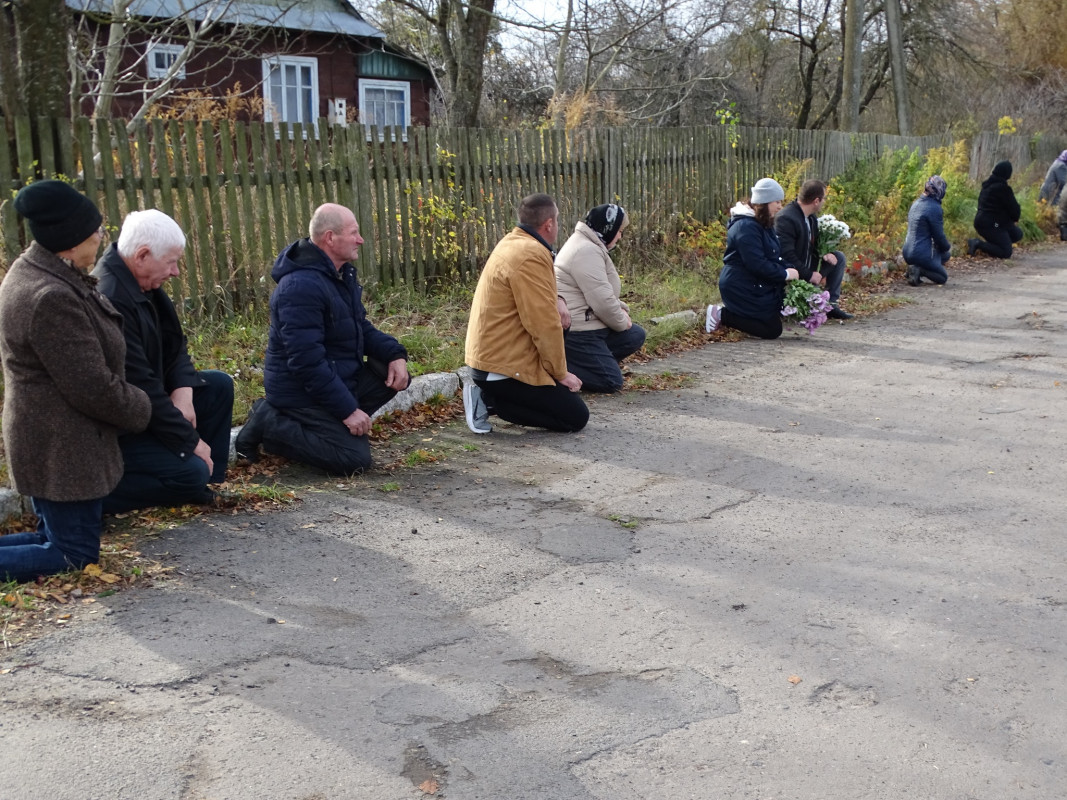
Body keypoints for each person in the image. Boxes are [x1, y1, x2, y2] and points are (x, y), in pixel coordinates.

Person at [0, 181, 151, 583]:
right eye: (96, 231)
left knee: (55, 538)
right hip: (61, 444)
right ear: (69, 240)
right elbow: (91, 386)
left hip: (56, 438)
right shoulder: (51, 296)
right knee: (72, 553)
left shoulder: (43, 271)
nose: (103, 237)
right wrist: (142, 406)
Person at [234, 203, 410, 474]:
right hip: (299, 393)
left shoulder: (337, 275)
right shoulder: (299, 288)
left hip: (334, 377)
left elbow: (359, 327)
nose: (360, 240)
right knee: (353, 460)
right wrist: (348, 411)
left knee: (390, 373)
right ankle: (268, 422)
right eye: (354, 233)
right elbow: (307, 363)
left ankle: (326, 427)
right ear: (330, 238)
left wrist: (396, 354)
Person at [92, 210, 234, 512]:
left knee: (218, 386)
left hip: (152, 403)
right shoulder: (111, 296)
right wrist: (189, 443)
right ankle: (98, 496)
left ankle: (209, 482)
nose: (176, 272)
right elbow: (140, 385)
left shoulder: (142, 282)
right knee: (189, 473)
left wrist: (183, 389)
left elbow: (175, 343)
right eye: (172, 262)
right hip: (124, 426)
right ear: (143, 254)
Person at [463, 193, 589, 433]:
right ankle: (489, 401)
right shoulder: (530, 255)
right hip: (499, 368)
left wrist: (559, 299)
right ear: (548, 224)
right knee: (575, 417)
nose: (558, 225)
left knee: (562, 322)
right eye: (558, 220)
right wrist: (560, 374)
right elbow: (543, 324)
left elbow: (537, 301)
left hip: (495, 358)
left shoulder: (515, 242)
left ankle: (494, 394)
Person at [553, 203, 646, 393]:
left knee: (635, 335)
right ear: (608, 228)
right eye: (619, 231)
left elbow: (600, 293)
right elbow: (602, 302)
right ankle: (556, 370)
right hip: (578, 331)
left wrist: (621, 310)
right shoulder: (586, 251)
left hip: (590, 323)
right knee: (611, 381)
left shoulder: (589, 245)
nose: (620, 236)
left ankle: (593, 364)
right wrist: (621, 320)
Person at [705, 178, 799, 340]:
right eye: (777, 201)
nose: (780, 206)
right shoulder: (745, 227)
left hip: (755, 283)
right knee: (772, 330)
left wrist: (790, 268)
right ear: (764, 202)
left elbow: (774, 255)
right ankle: (721, 314)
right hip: (740, 286)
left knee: (774, 322)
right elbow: (756, 264)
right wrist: (785, 274)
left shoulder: (762, 223)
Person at [774, 179, 853, 320]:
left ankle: (831, 305)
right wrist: (809, 274)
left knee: (838, 258)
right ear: (816, 201)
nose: (824, 202)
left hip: (809, 267)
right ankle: (806, 302)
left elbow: (813, 245)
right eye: (824, 199)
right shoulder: (787, 218)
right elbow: (786, 255)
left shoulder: (810, 218)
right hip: (794, 273)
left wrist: (825, 254)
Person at [902, 176, 952, 286]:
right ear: (939, 191)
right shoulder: (934, 208)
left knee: (945, 255)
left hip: (907, 252)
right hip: (921, 253)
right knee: (942, 277)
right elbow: (939, 236)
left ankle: (914, 269)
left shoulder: (916, 203)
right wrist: (946, 247)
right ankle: (919, 270)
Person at [967, 160, 1023, 259]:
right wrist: (1014, 219)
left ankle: (994, 245)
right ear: (1007, 174)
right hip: (992, 225)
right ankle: (978, 243)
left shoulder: (986, 186)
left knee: (1017, 233)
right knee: (1006, 252)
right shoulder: (1003, 189)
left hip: (987, 222)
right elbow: (1014, 210)